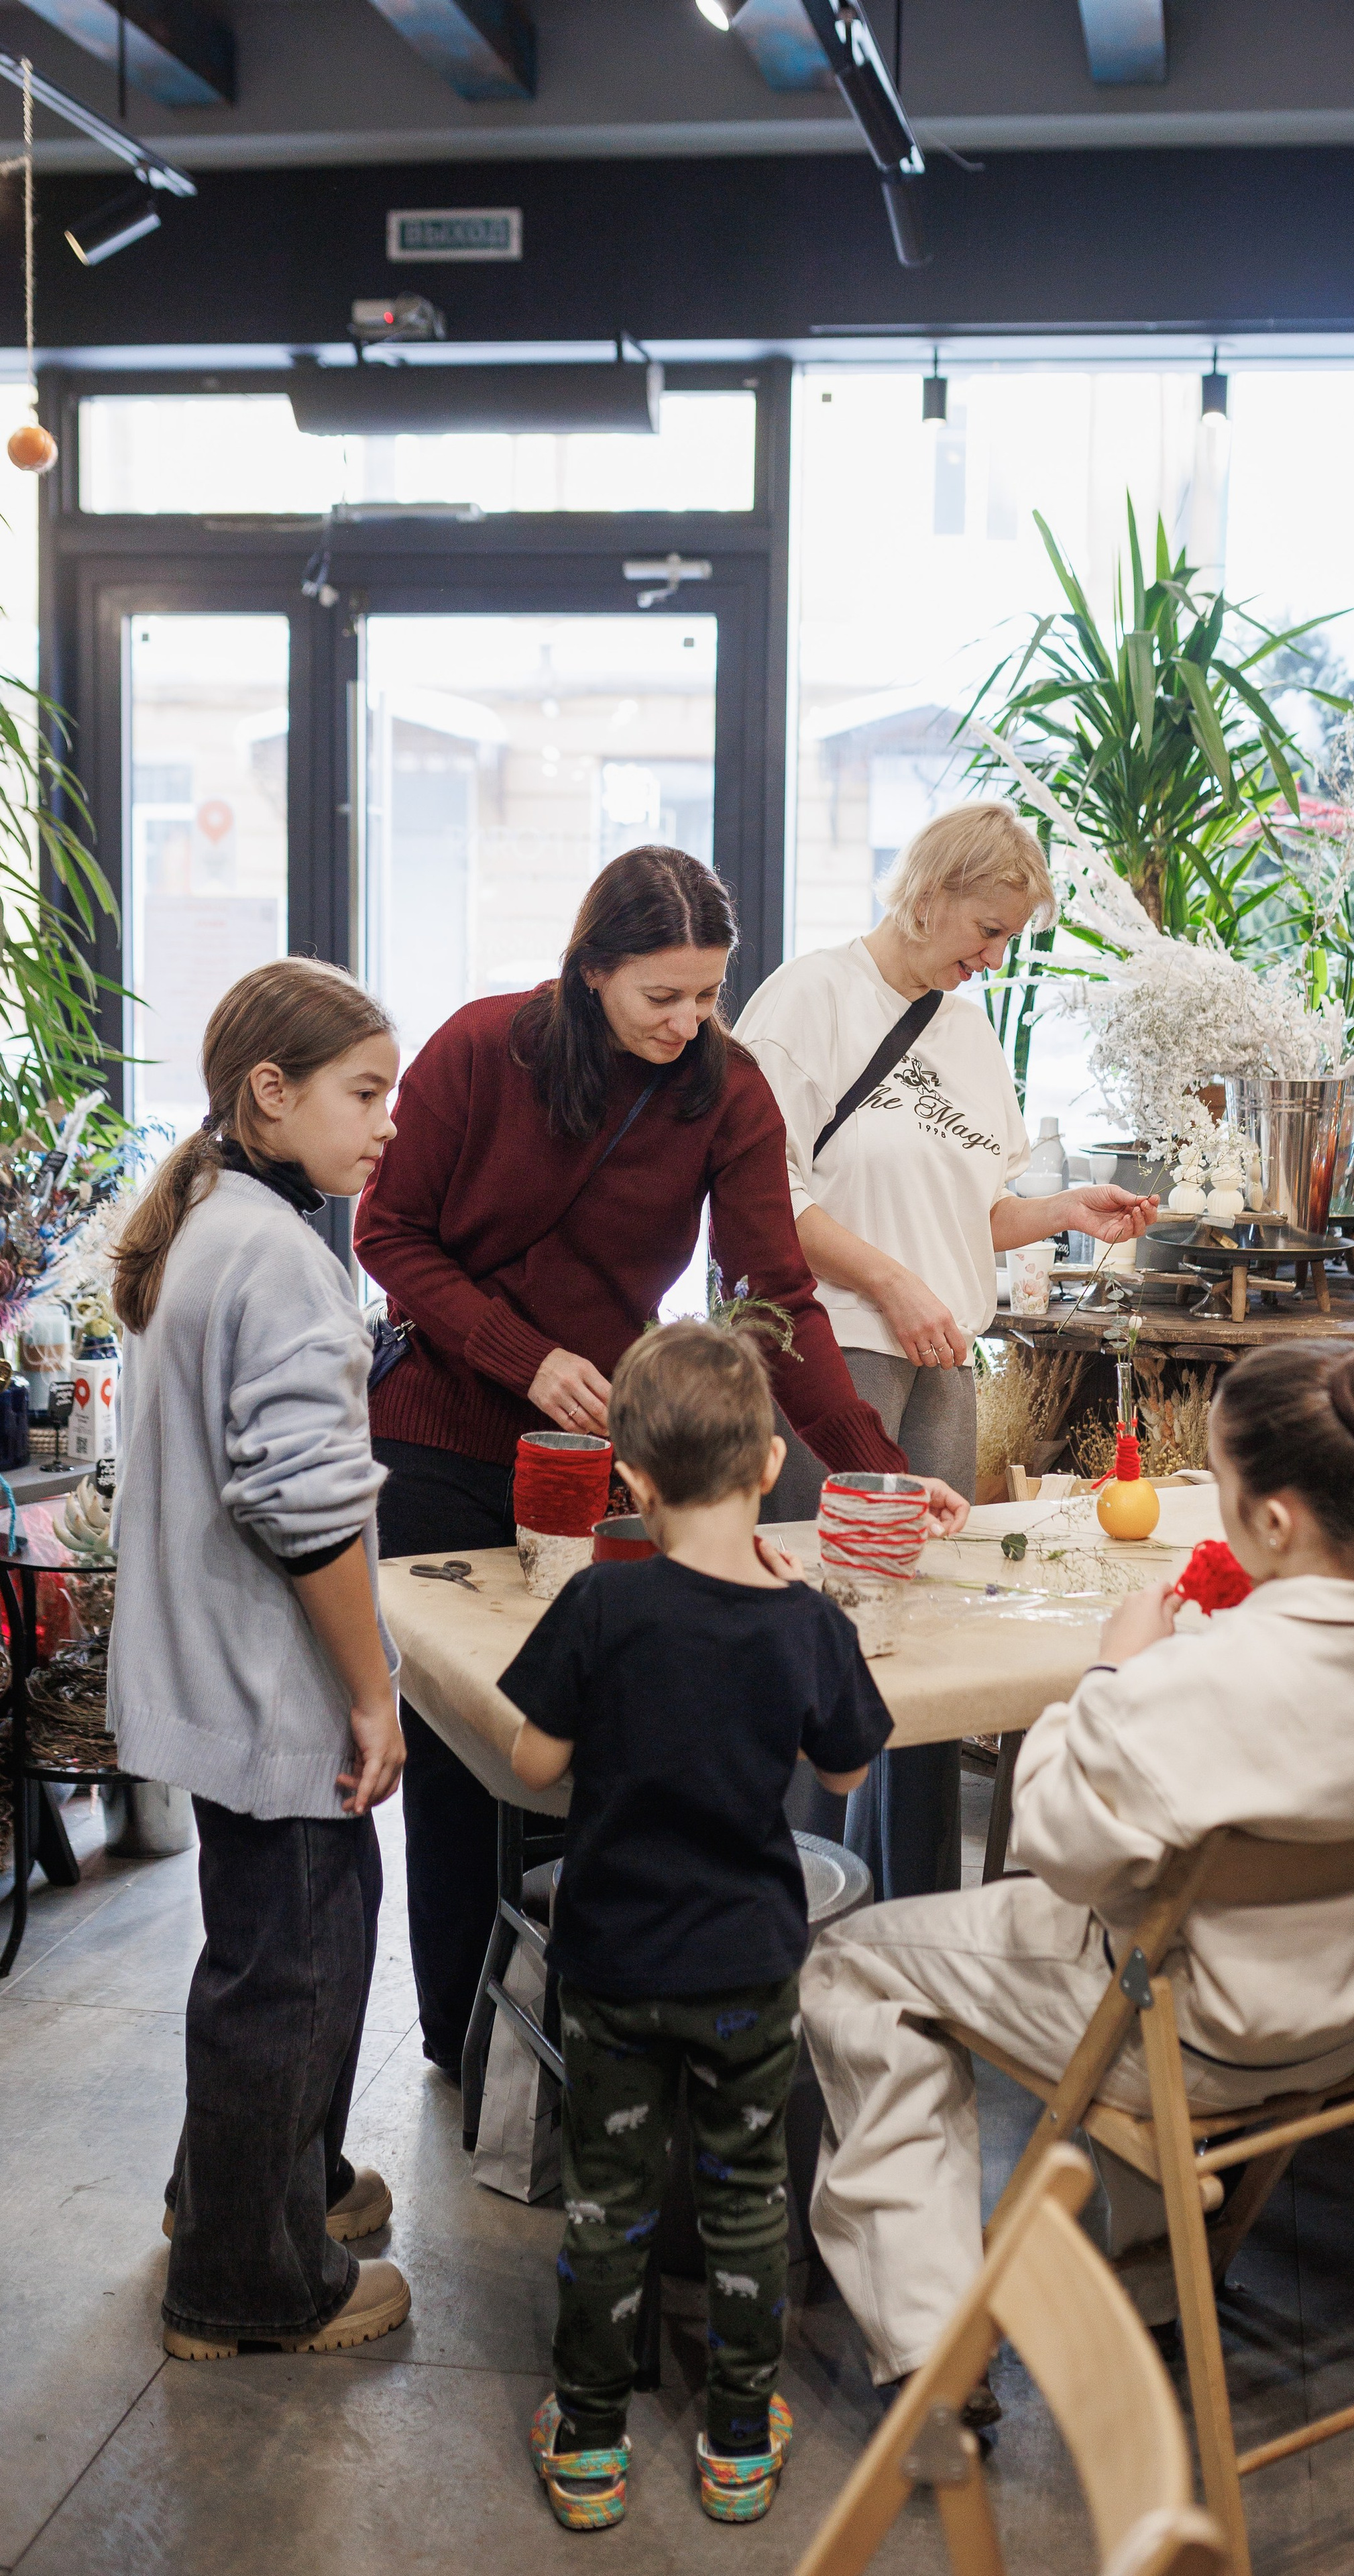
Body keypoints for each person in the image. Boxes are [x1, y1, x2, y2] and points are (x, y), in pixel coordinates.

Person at [799, 1334, 1354, 2396]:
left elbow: (1052, 1842)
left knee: (855, 1963)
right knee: (1141, 1903)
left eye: (1226, 1490)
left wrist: (1115, 1667)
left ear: (1276, 1522)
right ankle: (1151, 2281)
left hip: (1198, 2036)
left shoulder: (1198, 1685)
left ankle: (932, 2350)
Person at [354, 845, 965, 2080]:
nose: (689, 1025)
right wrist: (520, 1358)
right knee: (469, 1751)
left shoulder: (726, 1090)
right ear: (591, 974)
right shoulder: (482, 1050)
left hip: (596, 1460)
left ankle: (583, 2030)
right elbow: (387, 1231)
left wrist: (871, 1466)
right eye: (661, 999)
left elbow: (776, 1300)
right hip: (440, 1433)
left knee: (579, 1738)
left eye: (708, 996)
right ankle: (460, 2044)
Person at [500, 1320, 892, 2530]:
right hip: (746, 1969)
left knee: (608, 2204)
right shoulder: (807, 1624)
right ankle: (735, 2442)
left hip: (616, 1963)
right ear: (773, 1465)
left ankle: (590, 2439)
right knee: (742, 2199)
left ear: (629, 1477)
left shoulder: (600, 1614)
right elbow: (841, 1777)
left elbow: (531, 1762)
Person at [735, 800, 1158, 1900]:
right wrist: (889, 1280)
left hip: (940, 1364)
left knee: (929, 1633)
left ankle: (907, 1904)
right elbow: (764, 1201)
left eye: (1010, 935)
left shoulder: (968, 1031)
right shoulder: (809, 999)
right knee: (822, 1635)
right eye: (986, 926)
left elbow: (973, 1213)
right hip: (834, 1352)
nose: (993, 955)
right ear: (925, 894)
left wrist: (1065, 1207)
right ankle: (785, 1902)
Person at [109, 959, 410, 2363]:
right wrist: (371, 1690)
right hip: (270, 1688)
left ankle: (239, 2189)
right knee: (285, 1965)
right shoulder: (280, 1256)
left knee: (283, 1943)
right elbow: (302, 1506)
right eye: (365, 1093)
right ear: (268, 1093)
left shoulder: (212, 1222)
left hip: (209, 1678)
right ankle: (246, 2283)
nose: (387, 1123)